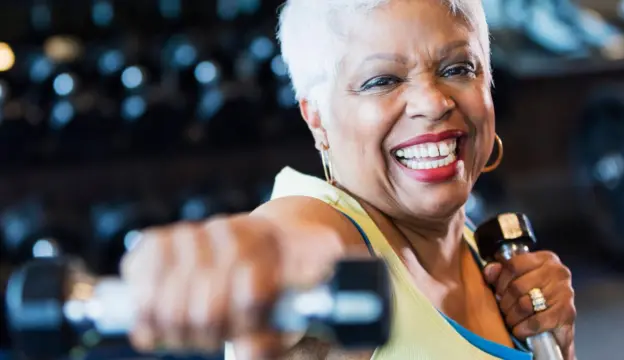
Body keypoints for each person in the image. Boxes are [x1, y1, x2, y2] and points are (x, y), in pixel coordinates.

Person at [121, 0, 577, 359]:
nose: (433, 103)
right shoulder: (333, 237)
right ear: (316, 118)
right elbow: (291, 248)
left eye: (457, 68)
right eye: (382, 80)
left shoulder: (487, 255)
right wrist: (241, 258)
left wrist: (554, 344)